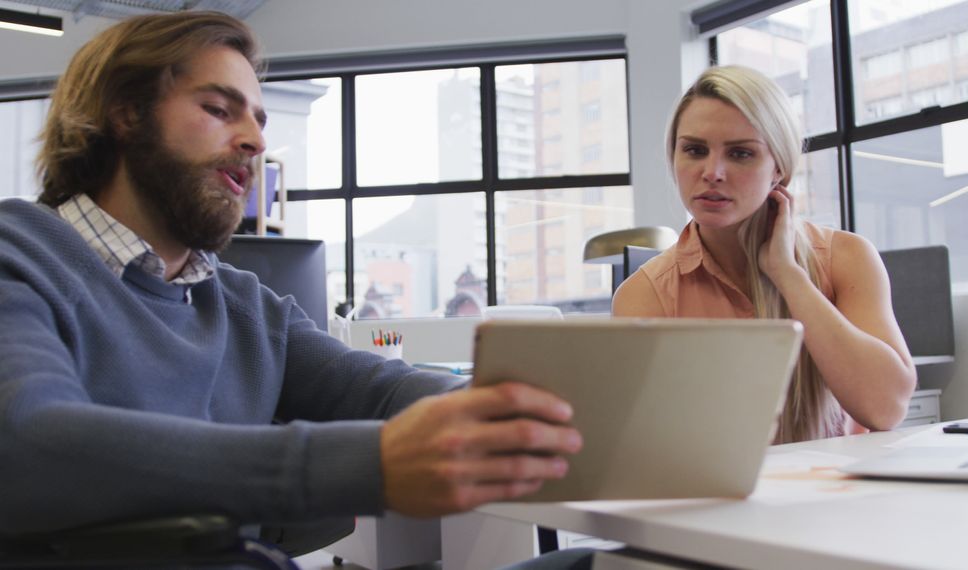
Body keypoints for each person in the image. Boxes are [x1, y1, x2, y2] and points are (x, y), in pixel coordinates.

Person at [0, 11, 586, 555]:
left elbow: (381, 390)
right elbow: (28, 446)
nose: (255, 141)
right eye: (218, 109)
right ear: (126, 114)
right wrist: (371, 464)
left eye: (258, 120)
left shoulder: (243, 304)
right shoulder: (18, 252)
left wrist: (514, 416)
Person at [613, 66, 916, 442]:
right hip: (719, 496)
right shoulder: (645, 294)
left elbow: (886, 409)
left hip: (838, 494)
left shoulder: (846, 258)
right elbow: (651, 444)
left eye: (741, 154)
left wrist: (788, 275)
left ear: (779, 172)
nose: (712, 172)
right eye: (694, 150)